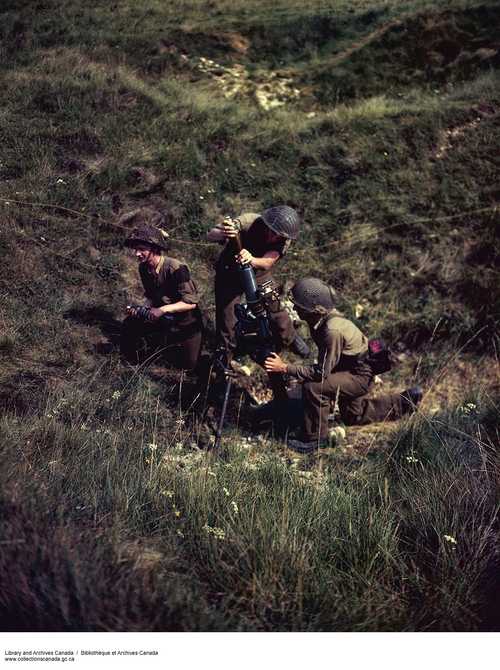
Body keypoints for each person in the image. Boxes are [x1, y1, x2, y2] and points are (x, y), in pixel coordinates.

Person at [264, 277, 423, 453]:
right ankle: (406, 402)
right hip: (351, 368)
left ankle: (315, 438)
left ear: (315, 309)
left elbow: (321, 374)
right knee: (353, 416)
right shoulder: (323, 320)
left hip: (359, 374)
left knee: (314, 387)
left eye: (300, 306)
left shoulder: (332, 331)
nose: (295, 308)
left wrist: (285, 367)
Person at [206, 206, 309, 360]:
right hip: (229, 273)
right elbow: (210, 235)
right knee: (227, 320)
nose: (275, 237)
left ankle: (290, 337)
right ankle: (225, 360)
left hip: (258, 272)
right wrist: (224, 233)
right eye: (273, 232)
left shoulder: (285, 238)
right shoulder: (249, 221)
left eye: (279, 235)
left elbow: (268, 261)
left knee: (276, 308)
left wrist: (252, 259)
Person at [120, 211, 203, 372]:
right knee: (129, 324)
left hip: (187, 322)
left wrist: (161, 310)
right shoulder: (143, 267)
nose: (137, 254)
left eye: (142, 249)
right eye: (136, 249)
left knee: (188, 366)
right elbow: (151, 295)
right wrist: (142, 310)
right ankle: (131, 364)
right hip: (163, 317)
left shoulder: (175, 267)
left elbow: (191, 303)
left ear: (155, 249)